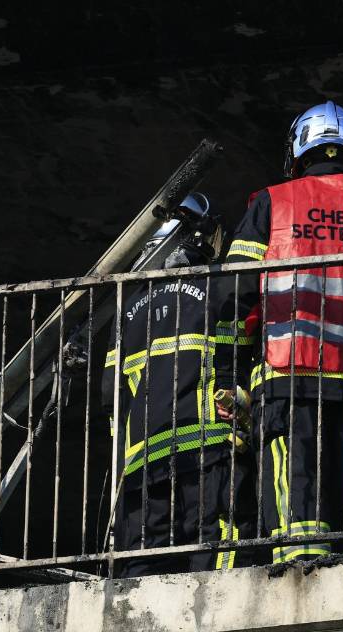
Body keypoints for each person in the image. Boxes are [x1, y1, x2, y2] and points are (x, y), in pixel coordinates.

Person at [217, 101, 343, 565]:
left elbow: (235, 290)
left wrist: (227, 369)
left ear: (298, 148)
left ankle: (301, 566)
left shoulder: (274, 202)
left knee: (298, 483)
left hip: (290, 370)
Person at [99, 193, 252, 576]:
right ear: (194, 236)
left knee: (141, 569)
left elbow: (112, 394)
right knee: (217, 556)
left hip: (142, 462)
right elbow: (242, 361)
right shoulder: (220, 289)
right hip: (208, 450)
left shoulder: (126, 307)